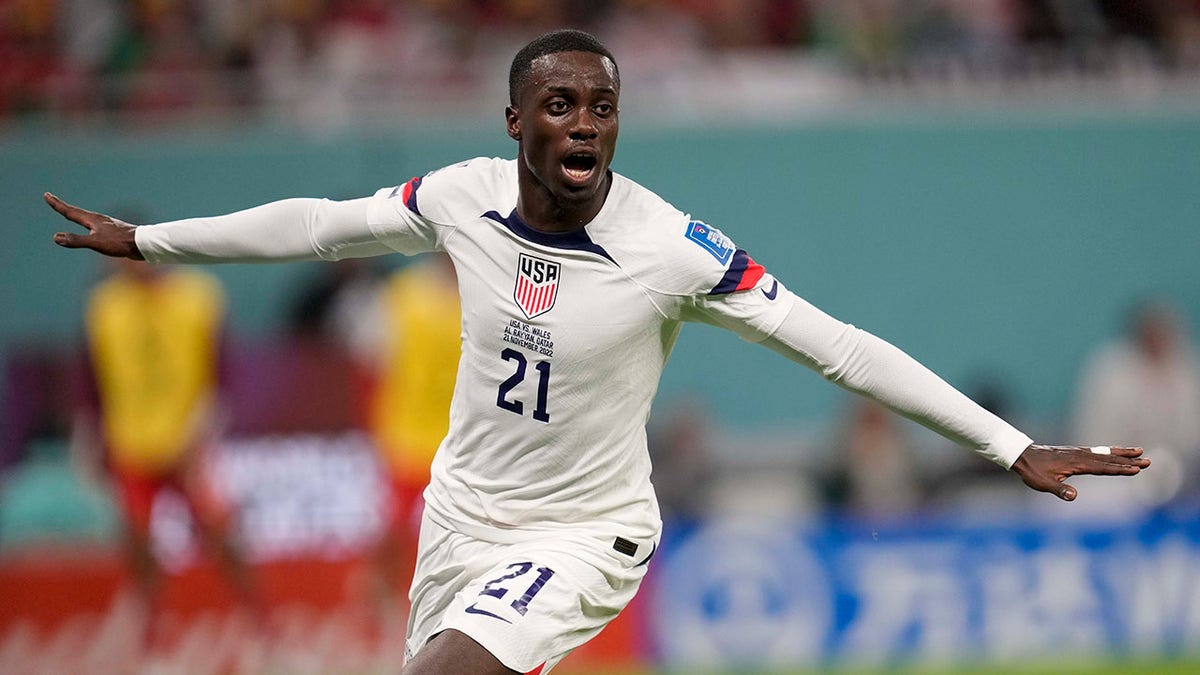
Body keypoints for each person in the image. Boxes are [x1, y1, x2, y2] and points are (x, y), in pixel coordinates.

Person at [45, 28, 1149, 675]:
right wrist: (147, 240)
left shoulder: (674, 249)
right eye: (561, 105)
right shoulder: (464, 198)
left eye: (604, 109)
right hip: (461, 516)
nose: (584, 125)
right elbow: (321, 222)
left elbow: (844, 350)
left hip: (589, 533)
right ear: (515, 121)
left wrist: (1011, 447)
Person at [75, 256, 259, 641]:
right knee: (138, 543)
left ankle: (257, 620)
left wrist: (203, 430)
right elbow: (92, 381)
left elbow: (221, 372)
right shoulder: (105, 306)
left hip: (186, 446)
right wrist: (90, 440)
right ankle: (151, 628)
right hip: (133, 447)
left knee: (221, 536)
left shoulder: (199, 296)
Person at [1069, 298, 1200, 513]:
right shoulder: (1110, 370)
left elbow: (1191, 436)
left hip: (1181, 479)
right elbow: (1097, 434)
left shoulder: (1187, 370)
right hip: (1116, 478)